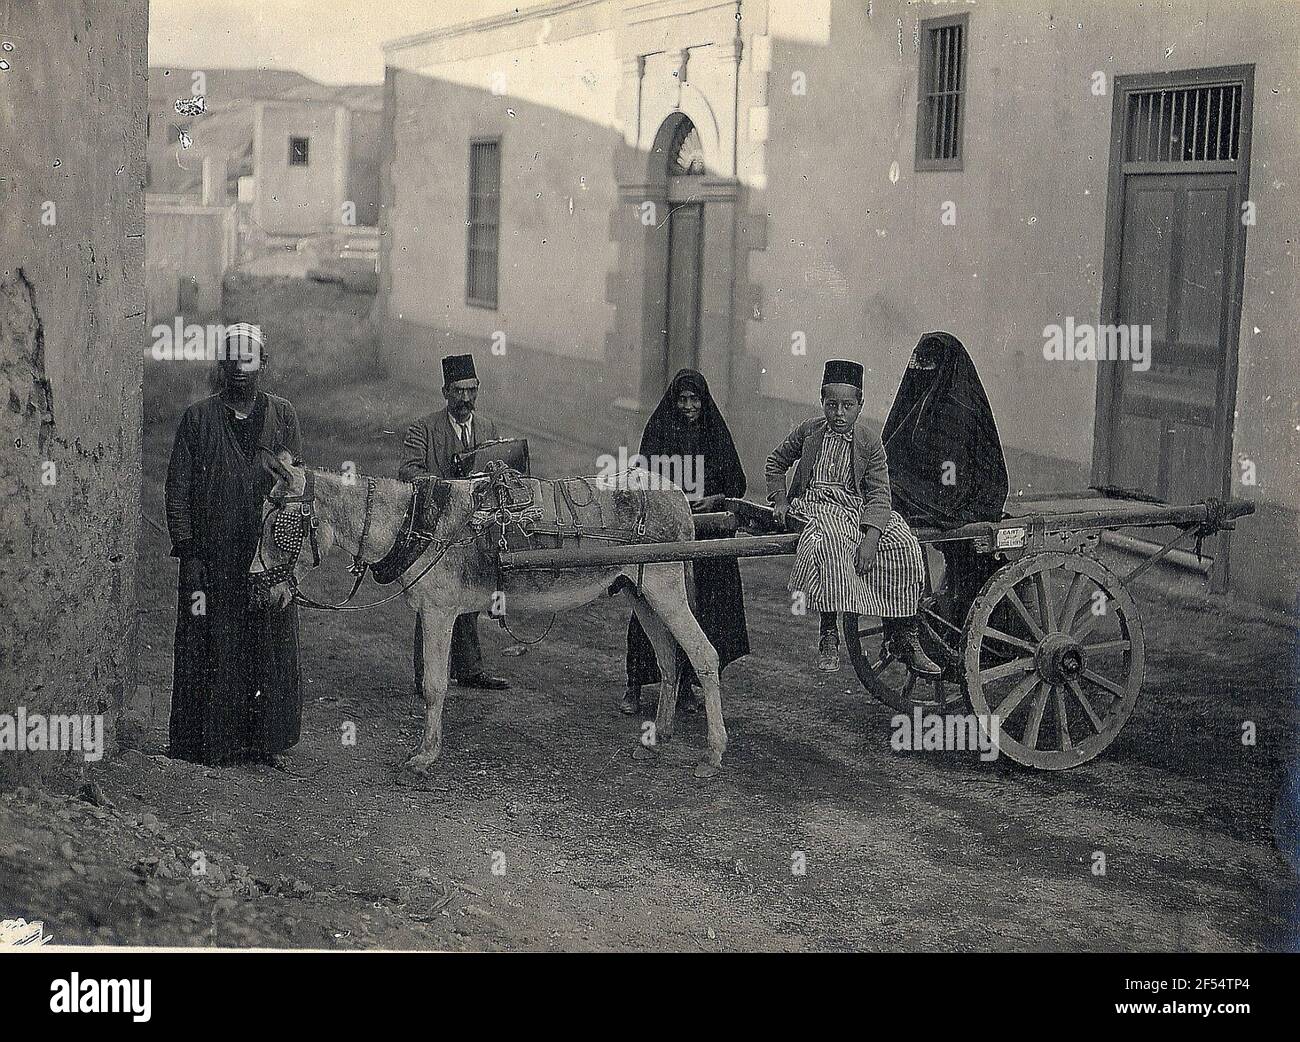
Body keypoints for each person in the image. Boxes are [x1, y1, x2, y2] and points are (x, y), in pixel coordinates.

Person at [165, 323, 304, 766]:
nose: (239, 368)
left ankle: (265, 742)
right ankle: (210, 743)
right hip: (213, 556)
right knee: (214, 643)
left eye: (249, 358)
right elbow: (178, 487)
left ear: (263, 363)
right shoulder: (198, 419)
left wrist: (285, 557)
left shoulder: (282, 415)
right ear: (221, 366)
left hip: (266, 556)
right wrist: (188, 551)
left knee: (268, 643)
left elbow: (295, 487)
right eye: (231, 359)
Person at [766, 359, 941, 677]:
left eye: (847, 405)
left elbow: (879, 494)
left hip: (857, 507)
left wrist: (872, 538)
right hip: (817, 504)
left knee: (903, 543)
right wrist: (780, 500)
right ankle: (828, 630)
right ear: (822, 401)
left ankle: (903, 634)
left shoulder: (869, 442)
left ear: (860, 405)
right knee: (830, 540)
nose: (839, 414)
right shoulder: (810, 432)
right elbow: (776, 461)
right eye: (831, 405)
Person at [622, 369, 750, 715]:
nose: (689, 406)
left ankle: (692, 684)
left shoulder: (715, 432)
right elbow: (642, 480)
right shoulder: (660, 430)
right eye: (683, 399)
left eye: (695, 399)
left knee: (706, 605)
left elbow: (736, 482)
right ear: (673, 401)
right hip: (667, 532)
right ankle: (634, 684)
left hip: (705, 531)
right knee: (655, 604)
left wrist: (715, 499)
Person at [398, 353, 509, 692]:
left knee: (471, 595)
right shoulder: (424, 429)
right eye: (458, 391)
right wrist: (447, 488)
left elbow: (500, 468)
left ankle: (470, 668)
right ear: (445, 391)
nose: (465, 399)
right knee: (434, 601)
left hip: (474, 528)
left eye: (471, 390)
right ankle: (427, 676)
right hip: (436, 530)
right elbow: (408, 472)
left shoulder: (488, 427)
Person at [882, 331, 1008, 610]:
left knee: (892, 494)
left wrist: (925, 494)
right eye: (920, 361)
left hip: (965, 495)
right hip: (938, 485)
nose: (922, 370)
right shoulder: (925, 400)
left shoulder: (958, 409)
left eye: (930, 363)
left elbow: (952, 475)